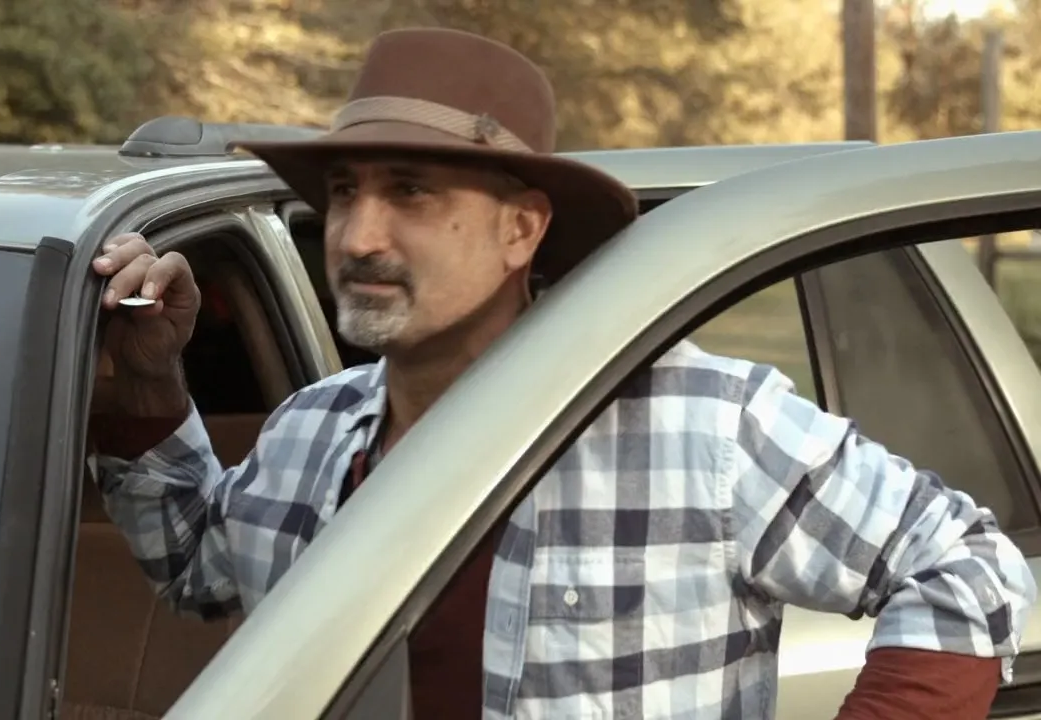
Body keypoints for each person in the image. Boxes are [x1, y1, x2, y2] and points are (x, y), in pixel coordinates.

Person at [87, 27, 1034, 720]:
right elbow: (198, 566)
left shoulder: (703, 426)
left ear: (521, 229)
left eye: (409, 191)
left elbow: (966, 569)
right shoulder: (309, 433)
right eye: (344, 192)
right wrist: (148, 387)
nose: (359, 235)